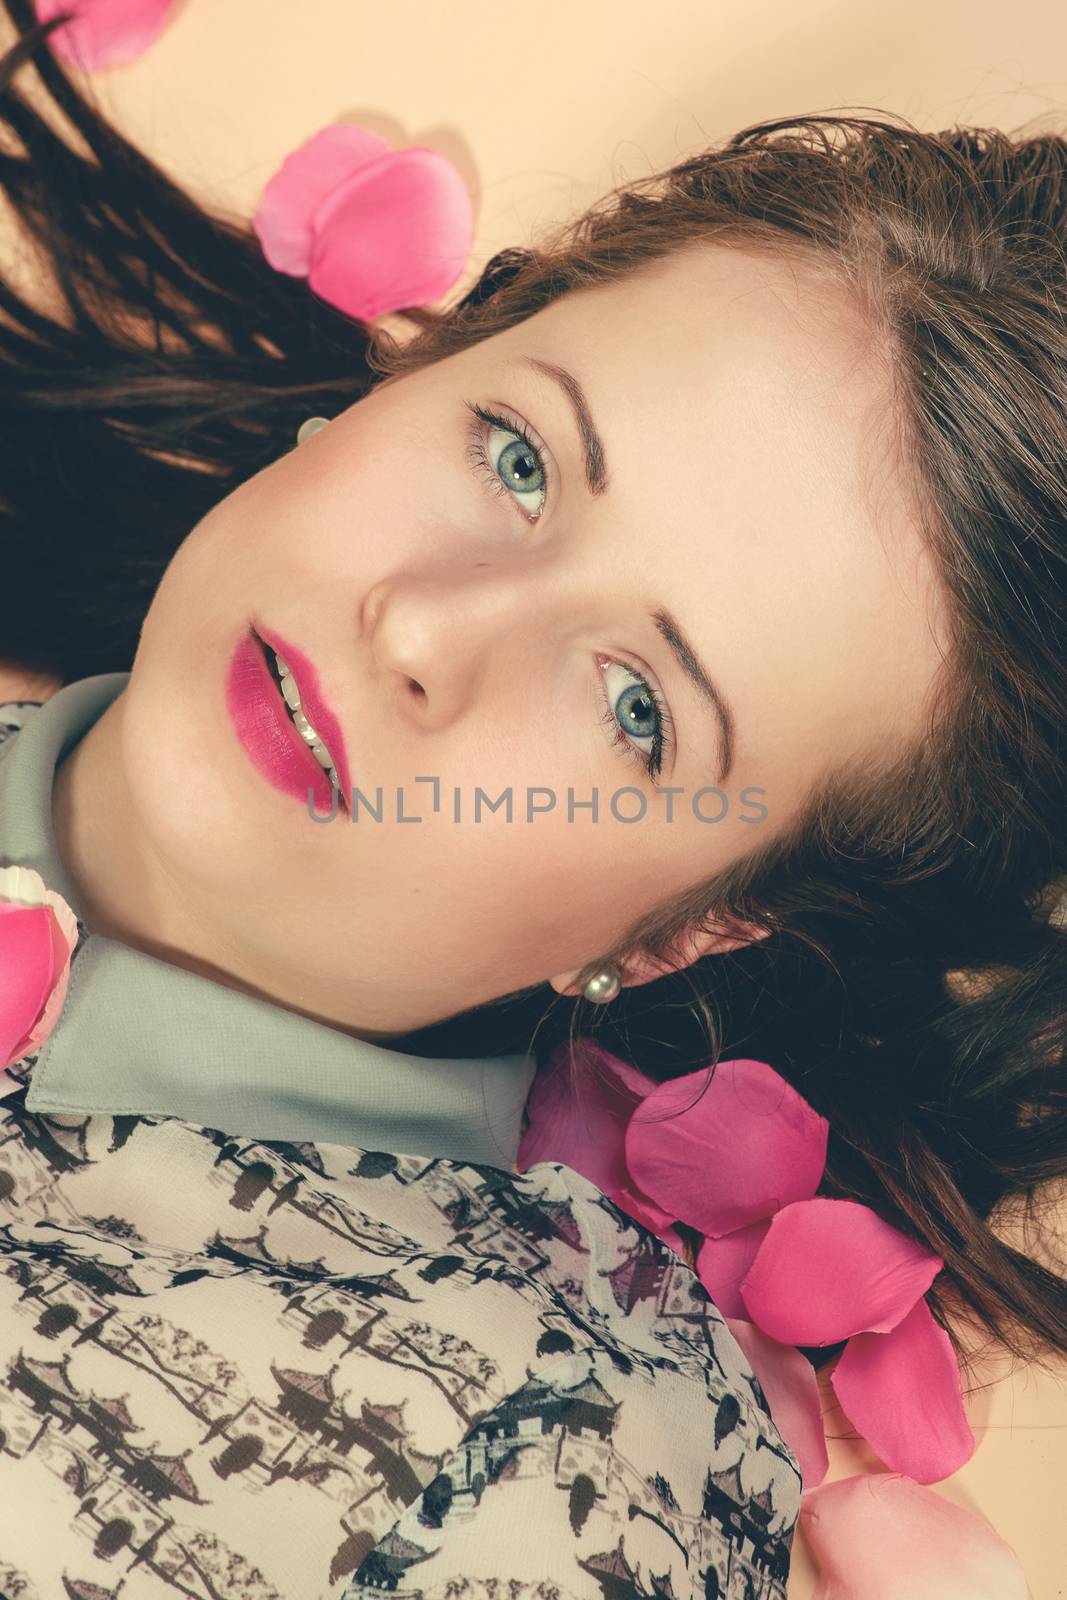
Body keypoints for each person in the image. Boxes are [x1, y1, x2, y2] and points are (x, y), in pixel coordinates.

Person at [0, 0, 1064, 1594]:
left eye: (639, 709)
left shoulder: (522, 1471)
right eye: (517, 460)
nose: (426, 632)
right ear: (416, 369)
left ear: (702, 927)